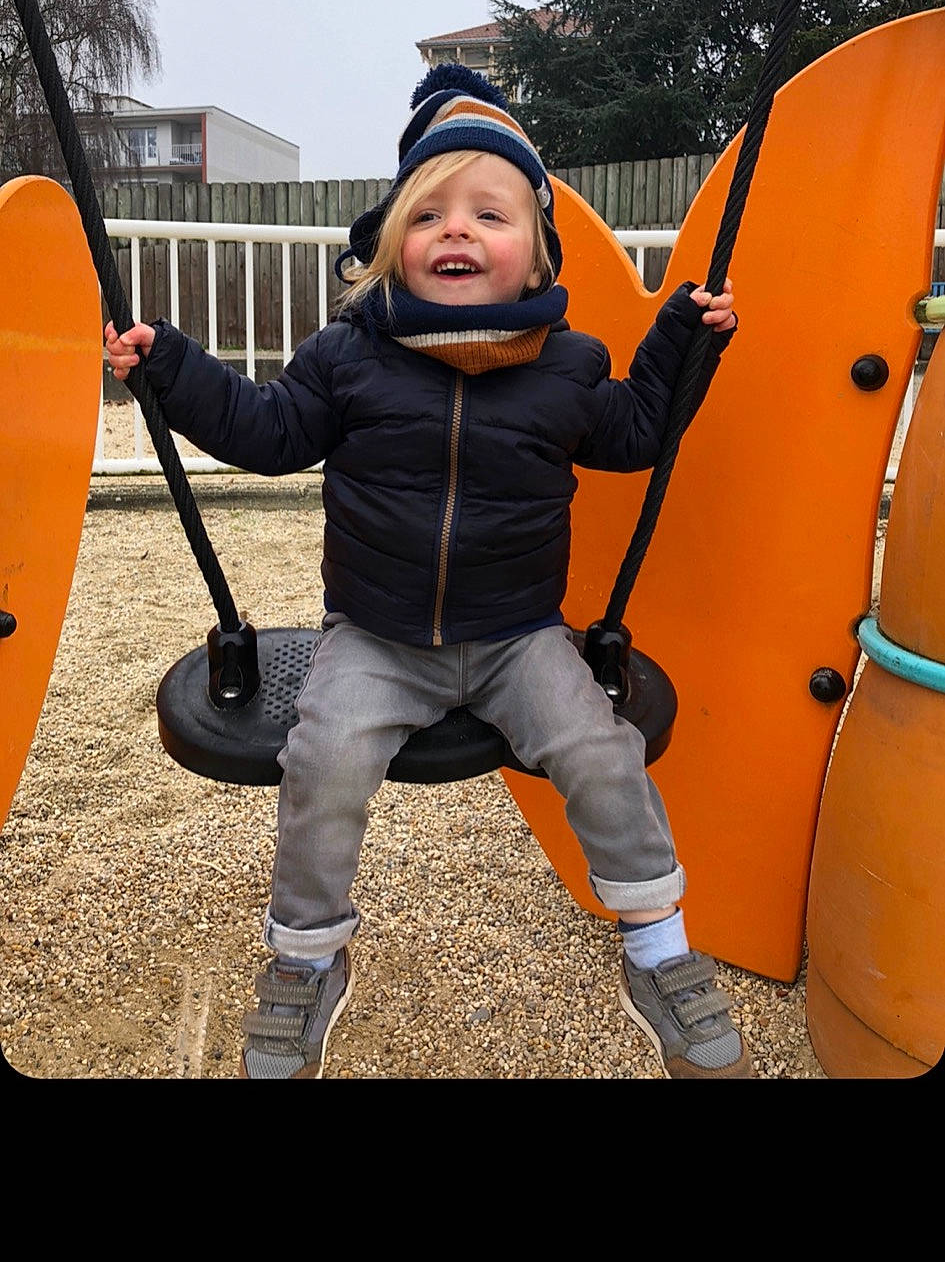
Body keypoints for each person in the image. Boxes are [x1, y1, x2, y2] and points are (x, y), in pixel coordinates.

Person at [104, 63, 752, 1081]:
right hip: (376, 634)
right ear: (391, 246)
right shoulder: (349, 356)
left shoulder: (567, 364)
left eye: (488, 212)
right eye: (428, 213)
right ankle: (309, 958)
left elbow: (635, 434)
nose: (455, 230)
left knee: (602, 750)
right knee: (319, 763)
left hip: (519, 636)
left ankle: (657, 952)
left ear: (536, 249)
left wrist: (682, 341)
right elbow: (266, 433)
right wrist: (172, 366)